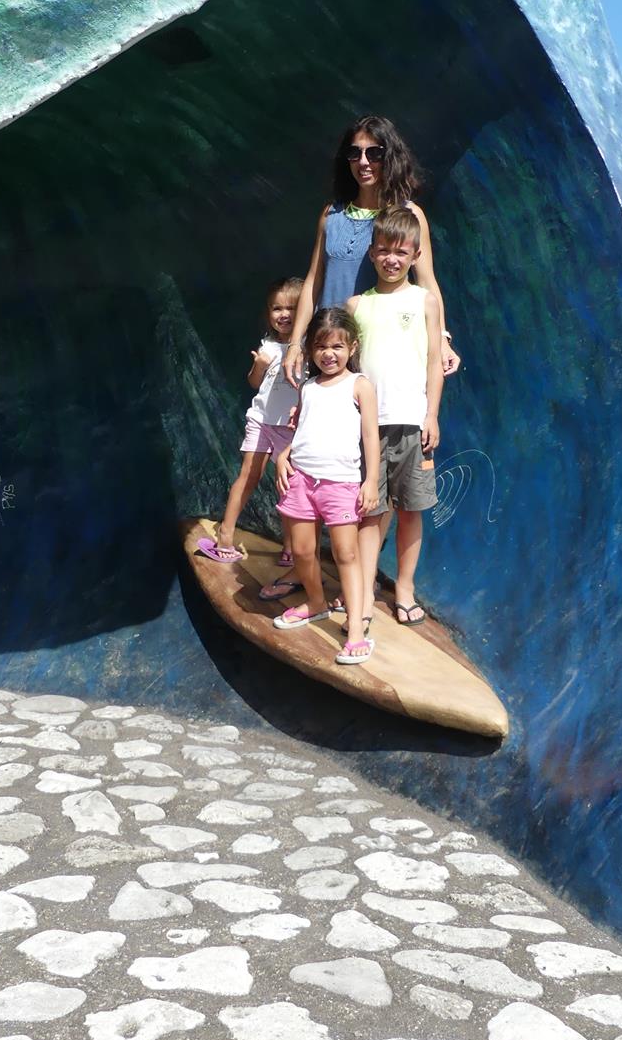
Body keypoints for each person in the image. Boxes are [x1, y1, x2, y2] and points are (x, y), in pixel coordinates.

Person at [283, 115, 460, 388]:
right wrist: (296, 343)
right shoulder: (331, 214)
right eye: (355, 153)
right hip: (330, 352)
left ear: (390, 157)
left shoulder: (409, 215)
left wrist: (442, 339)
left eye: (374, 153)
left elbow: (427, 283)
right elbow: (313, 282)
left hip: (380, 354)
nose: (364, 162)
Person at [347, 208, 443, 626]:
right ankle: (364, 590)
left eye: (401, 253)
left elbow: (436, 360)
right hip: (368, 427)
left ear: (415, 255)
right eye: (384, 251)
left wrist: (432, 415)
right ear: (372, 254)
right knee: (371, 511)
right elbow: (347, 367)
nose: (391, 259)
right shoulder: (356, 305)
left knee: (411, 509)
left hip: (412, 422)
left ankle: (404, 587)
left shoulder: (425, 300)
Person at [272, 308, 380, 665]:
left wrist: (371, 481)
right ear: (310, 349)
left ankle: (355, 631)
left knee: (346, 554)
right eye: (320, 346)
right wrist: (284, 455)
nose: (329, 353)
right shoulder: (308, 387)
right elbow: (304, 430)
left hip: (341, 484)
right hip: (301, 480)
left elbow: (369, 436)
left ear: (352, 346)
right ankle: (316, 603)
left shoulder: (359, 385)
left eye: (337, 345)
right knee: (303, 552)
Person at [196, 277, 304, 570]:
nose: (283, 314)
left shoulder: (307, 346)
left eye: (291, 308)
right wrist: (258, 367)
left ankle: (291, 547)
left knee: (288, 486)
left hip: (290, 428)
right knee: (247, 476)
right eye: (276, 308)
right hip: (261, 420)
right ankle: (226, 538)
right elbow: (255, 384)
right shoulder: (267, 345)